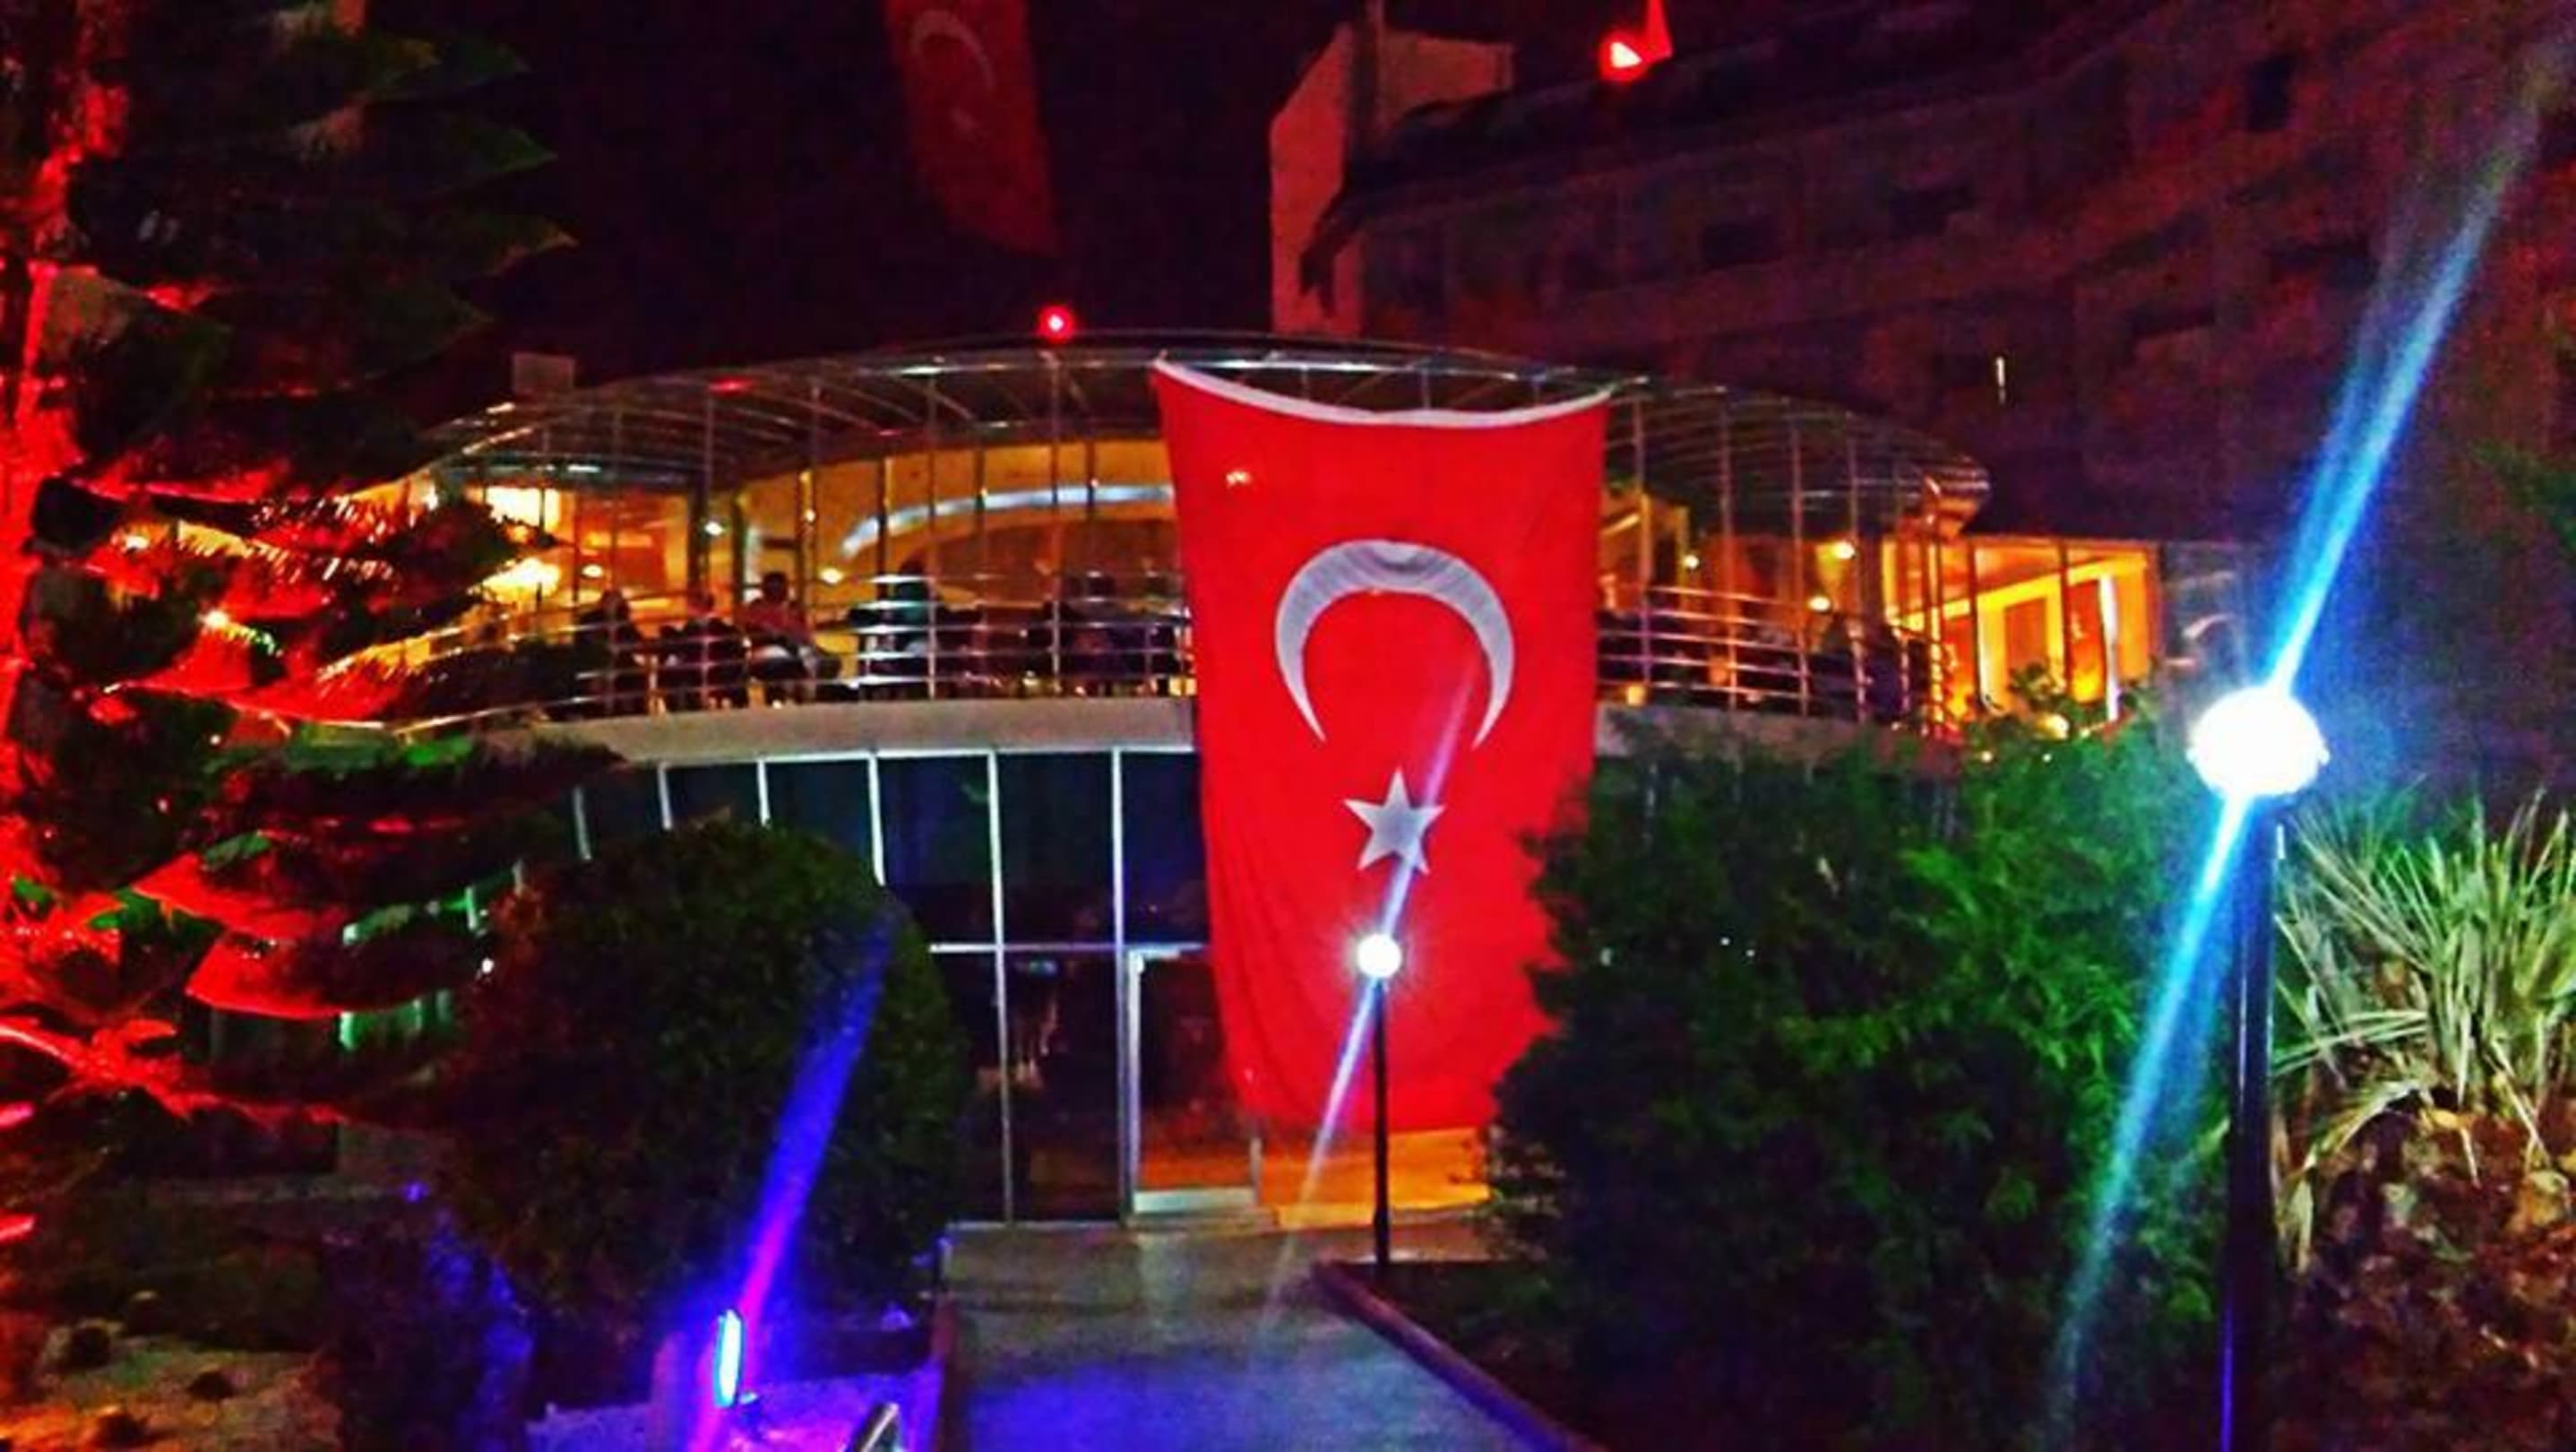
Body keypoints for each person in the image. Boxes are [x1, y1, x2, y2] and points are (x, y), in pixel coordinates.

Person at [738, 571, 828, 704]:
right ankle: (793, 693)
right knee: (780, 661)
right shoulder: (756, 607)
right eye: (774, 587)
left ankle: (807, 695)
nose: (778, 590)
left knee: (816, 659)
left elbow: (803, 632)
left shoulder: (793, 607)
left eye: (780, 586)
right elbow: (755, 630)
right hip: (769, 649)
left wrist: (801, 638)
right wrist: (778, 632)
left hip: (795, 646)